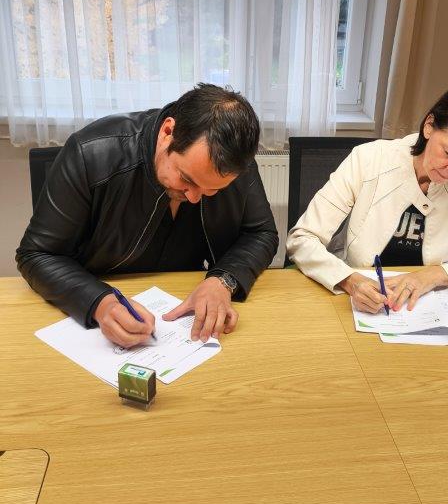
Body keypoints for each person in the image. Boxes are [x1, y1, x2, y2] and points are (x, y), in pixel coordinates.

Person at [17, 84, 278, 346]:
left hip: (181, 303)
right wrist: (99, 302)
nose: (194, 197)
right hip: (100, 298)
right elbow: (36, 254)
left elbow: (261, 233)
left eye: (212, 190)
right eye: (187, 179)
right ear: (167, 132)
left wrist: (223, 280)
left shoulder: (234, 162)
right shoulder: (90, 153)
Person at [286, 81, 448, 314]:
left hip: (424, 307)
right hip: (357, 298)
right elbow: (302, 239)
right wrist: (350, 280)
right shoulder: (369, 159)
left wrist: (436, 275)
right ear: (429, 126)